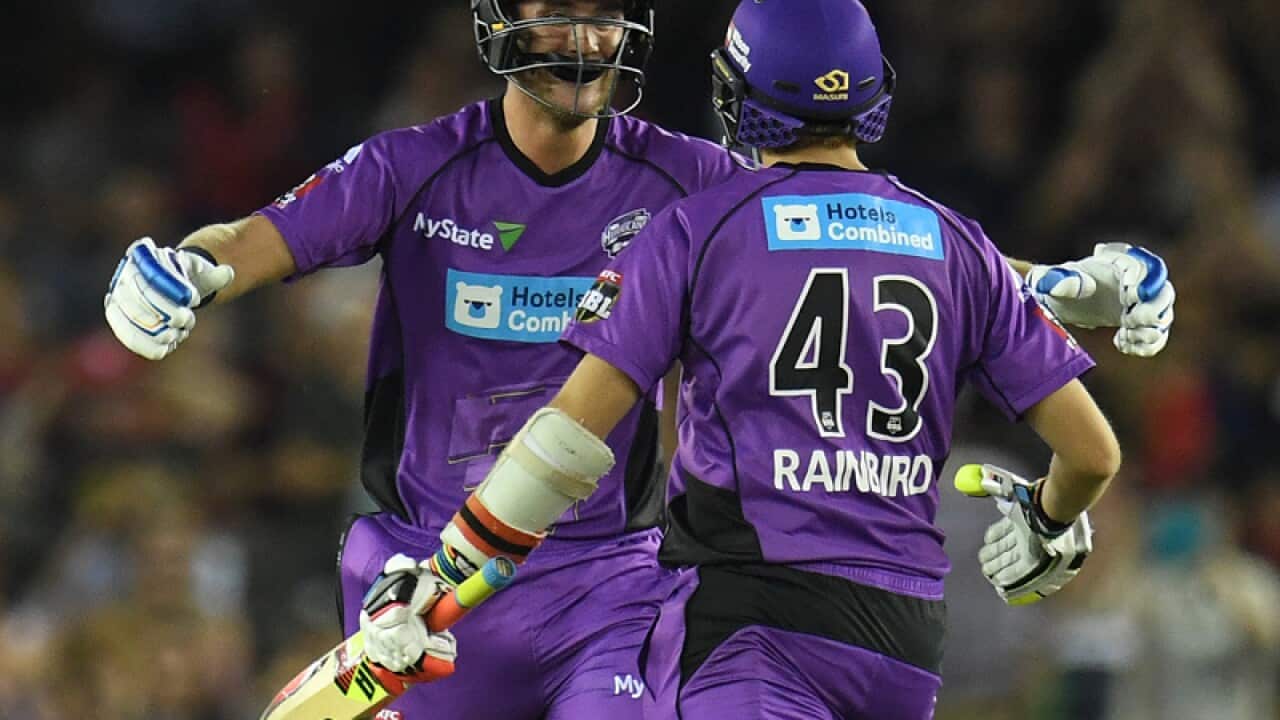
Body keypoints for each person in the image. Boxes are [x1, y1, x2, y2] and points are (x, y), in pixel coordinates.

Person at [101, 1, 1172, 718]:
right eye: (555, 9)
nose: (579, 36)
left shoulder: (692, 181)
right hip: (420, 574)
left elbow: (853, 237)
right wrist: (183, 274)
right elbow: (248, 242)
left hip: (610, 582)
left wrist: (1060, 282)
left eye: (600, 12)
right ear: (500, 20)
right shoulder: (414, 168)